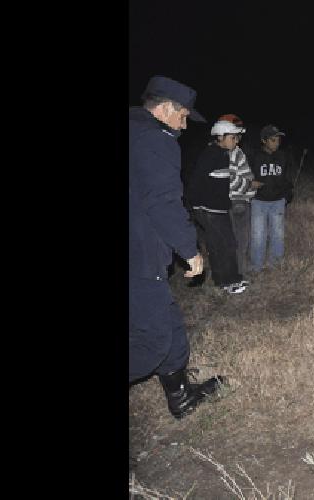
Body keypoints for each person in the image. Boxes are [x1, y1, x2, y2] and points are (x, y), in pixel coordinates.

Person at [129, 75, 225, 418]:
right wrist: (189, 249)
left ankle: (181, 397)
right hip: (137, 257)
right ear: (165, 108)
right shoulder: (156, 140)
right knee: (152, 342)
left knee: (169, 322)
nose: (184, 125)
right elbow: (164, 202)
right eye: (183, 116)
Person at [185, 118, 250, 293]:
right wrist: (198, 206)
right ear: (220, 137)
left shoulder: (216, 152)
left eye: (237, 138)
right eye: (233, 137)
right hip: (211, 210)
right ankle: (231, 281)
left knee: (216, 244)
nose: (236, 141)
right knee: (227, 244)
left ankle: (221, 281)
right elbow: (198, 182)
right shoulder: (215, 155)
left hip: (208, 208)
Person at [249, 124, 295, 272]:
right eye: (273, 140)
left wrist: (286, 197)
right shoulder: (254, 157)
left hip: (278, 202)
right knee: (258, 235)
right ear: (264, 140)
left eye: (278, 140)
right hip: (258, 202)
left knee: (278, 234)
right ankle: (256, 266)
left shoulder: (283, 157)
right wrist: (250, 185)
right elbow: (245, 176)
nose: (276, 143)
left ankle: (275, 265)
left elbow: (288, 178)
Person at [218, 113, 260, 275]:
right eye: (236, 134)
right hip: (235, 201)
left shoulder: (236, 151)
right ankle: (235, 275)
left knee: (240, 241)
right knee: (237, 241)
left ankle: (239, 272)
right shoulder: (225, 153)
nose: (239, 138)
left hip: (241, 200)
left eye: (239, 135)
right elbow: (230, 180)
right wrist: (251, 184)